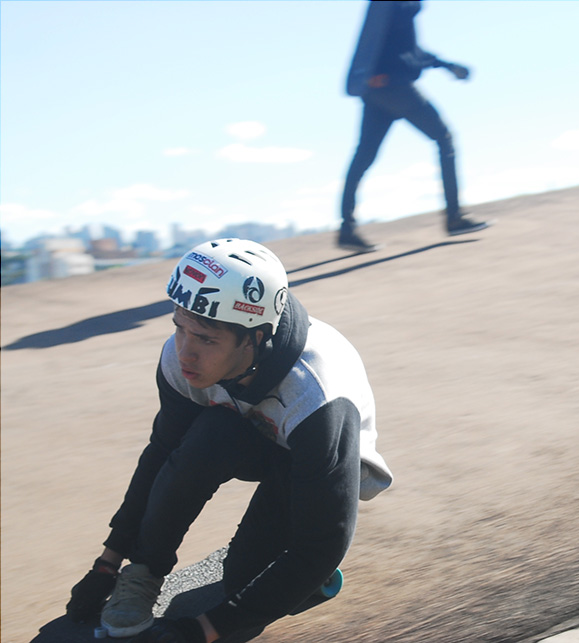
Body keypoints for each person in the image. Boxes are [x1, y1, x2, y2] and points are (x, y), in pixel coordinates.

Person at [64, 238, 393, 642]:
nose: (185, 353)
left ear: (255, 338)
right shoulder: (180, 359)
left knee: (246, 582)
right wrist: (108, 563)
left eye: (206, 339)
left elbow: (324, 541)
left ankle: (297, 571)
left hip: (313, 464)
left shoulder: (317, 397)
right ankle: (145, 572)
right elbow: (162, 453)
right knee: (209, 435)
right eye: (179, 328)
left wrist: (203, 631)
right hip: (251, 433)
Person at [337, 0, 488, 253]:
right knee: (444, 138)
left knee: (363, 157)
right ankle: (454, 218)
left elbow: (404, 47)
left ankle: (347, 230)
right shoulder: (399, 5)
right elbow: (392, 46)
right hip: (394, 88)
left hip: (376, 90)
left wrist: (445, 65)